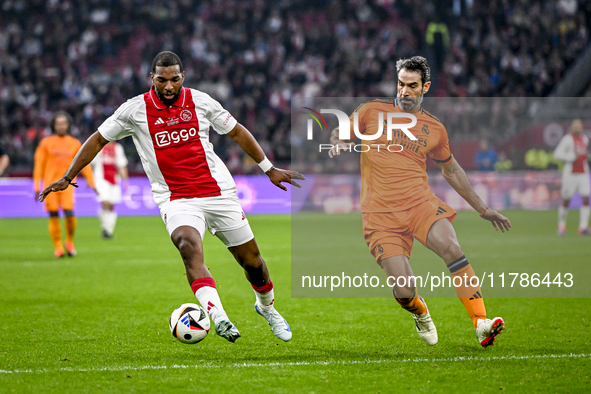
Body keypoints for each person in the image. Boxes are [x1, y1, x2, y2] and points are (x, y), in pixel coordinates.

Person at [40, 51, 305, 343]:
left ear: (182, 77)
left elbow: (237, 132)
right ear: (151, 78)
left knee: (253, 263)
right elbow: (98, 138)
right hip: (176, 198)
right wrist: (68, 176)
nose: (168, 86)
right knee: (187, 246)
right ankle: (218, 316)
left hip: (218, 194)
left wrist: (268, 168)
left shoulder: (201, 101)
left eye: (174, 79)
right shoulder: (134, 110)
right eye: (162, 80)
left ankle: (266, 307)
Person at [328, 56, 511, 348]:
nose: (404, 91)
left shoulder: (435, 128)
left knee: (452, 248)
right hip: (379, 215)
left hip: (419, 204)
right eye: (400, 84)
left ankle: (481, 323)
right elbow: (342, 131)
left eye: (412, 86)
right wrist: (338, 140)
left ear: (425, 87)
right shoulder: (372, 111)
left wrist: (483, 208)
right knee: (404, 291)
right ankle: (420, 311)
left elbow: (451, 169)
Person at [34, 111, 96, 258]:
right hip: (50, 186)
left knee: (69, 213)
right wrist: (36, 186)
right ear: (53, 126)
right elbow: (39, 165)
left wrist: (92, 183)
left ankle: (69, 242)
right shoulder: (45, 143)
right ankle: (58, 247)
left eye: (63, 123)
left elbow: (84, 163)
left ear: (68, 125)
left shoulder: (74, 143)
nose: (61, 126)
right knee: (53, 215)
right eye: (58, 123)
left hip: (67, 185)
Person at [553, 119, 590, 236]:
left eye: (579, 125)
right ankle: (562, 224)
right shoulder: (567, 139)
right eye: (575, 126)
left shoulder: (585, 139)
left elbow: (583, 154)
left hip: (583, 173)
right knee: (566, 199)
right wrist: (572, 156)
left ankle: (583, 226)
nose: (578, 128)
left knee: (586, 197)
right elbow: (557, 154)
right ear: (572, 127)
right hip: (570, 174)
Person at [91, 141, 129, 238]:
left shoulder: (118, 148)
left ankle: (108, 229)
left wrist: (125, 181)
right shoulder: (99, 146)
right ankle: (105, 228)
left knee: (111, 205)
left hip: (114, 179)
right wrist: (89, 179)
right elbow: (91, 163)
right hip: (100, 178)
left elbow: (121, 165)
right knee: (105, 202)